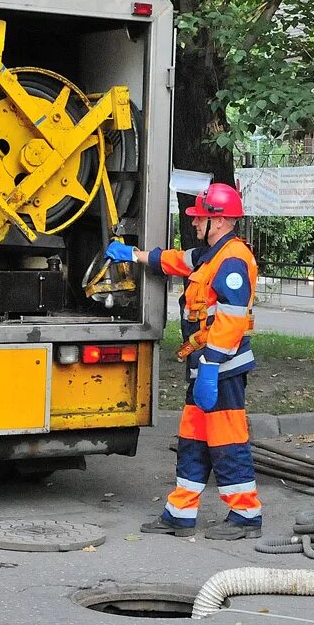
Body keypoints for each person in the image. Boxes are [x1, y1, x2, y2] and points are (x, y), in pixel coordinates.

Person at [104, 182, 261, 539]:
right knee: (193, 441)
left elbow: (231, 320)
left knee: (228, 442)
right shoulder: (211, 253)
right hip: (205, 367)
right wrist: (136, 256)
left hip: (222, 369)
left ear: (218, 222)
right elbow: (177, 260)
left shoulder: (233, 259)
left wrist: (210, 366)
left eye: (199, 217)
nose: (193, 222)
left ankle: (246, 515)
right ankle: (180, 512)